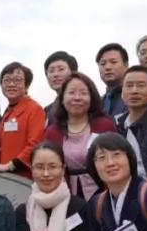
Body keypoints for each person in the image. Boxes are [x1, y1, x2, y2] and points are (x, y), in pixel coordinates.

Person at [43, 72, 117, 200]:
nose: (77, 98)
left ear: (92, 98)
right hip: (65, 195)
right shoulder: (52, 132)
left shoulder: (105, 126)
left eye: (83, 93)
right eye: (71, 93)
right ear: (62, 99)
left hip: (105, 193)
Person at [0, 62, 47, 177]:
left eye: (17, 80)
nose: (11, 84)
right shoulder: (8, 112)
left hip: (23, 177)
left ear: (27, 86)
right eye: (7, 80)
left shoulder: (34, 109)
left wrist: (10, 165)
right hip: (5, 177)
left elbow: (35, 145)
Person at [42, 50, 78, 123]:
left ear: (73, 72)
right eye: (51, 71)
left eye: (61, 69)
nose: (55, 74)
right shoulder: (47, 111)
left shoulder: (83, 103)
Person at [96, 42, 129, 117]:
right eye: (103, 64)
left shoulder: (136, 97)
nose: (107, 67)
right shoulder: (98, 104)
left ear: (126, 65)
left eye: (113, 62)